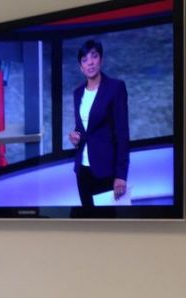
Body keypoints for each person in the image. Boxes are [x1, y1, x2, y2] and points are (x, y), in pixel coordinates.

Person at [69, 39, 130, 207]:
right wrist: (74, 137)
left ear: (101, 60)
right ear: (81, 67)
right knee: (87, 219)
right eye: (85, 59)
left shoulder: (116, 88)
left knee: (107, 221)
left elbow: (122, 134)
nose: (90, 62)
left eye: (94, 56)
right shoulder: (77, 93)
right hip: (82, 171)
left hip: (106, 170)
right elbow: (83, 128)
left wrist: (121, 175)